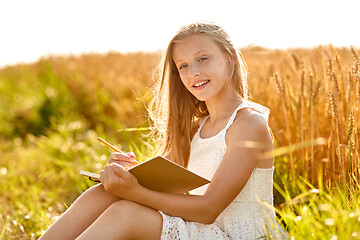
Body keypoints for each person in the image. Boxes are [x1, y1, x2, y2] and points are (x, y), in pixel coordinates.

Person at [40, 21, 279, 239]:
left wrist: (133, 192)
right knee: (102, 193)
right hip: (207, 230)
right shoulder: (197, 128)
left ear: (231, 58)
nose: (193, 72)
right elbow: (159, 184)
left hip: (240, 235)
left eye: (203, 59)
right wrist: (128, 174)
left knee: (126, 213)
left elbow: (208, 209)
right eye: (183, 66)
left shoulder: (248, 124)